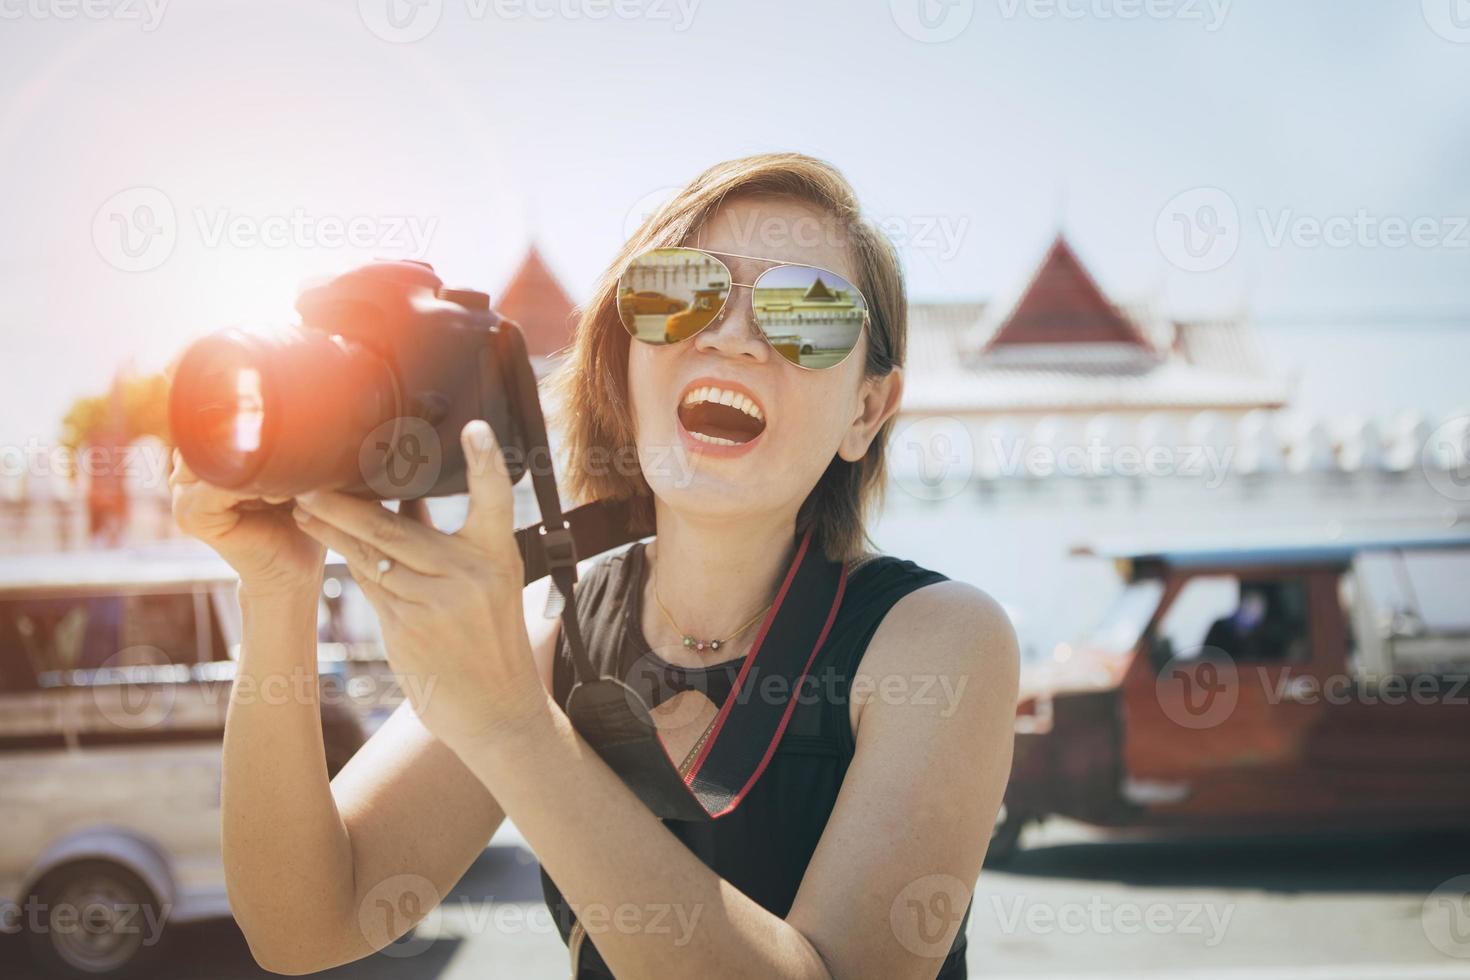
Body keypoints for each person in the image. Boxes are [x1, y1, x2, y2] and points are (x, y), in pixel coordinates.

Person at [171, 152, 1019, 979]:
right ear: (625, 360)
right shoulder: (550, 631)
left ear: (867, 410)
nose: (733, 336)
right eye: (679, 294)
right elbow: (306, 926)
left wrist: (514, 728)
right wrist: (277, 594)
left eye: (807, 311)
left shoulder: (937, 644)